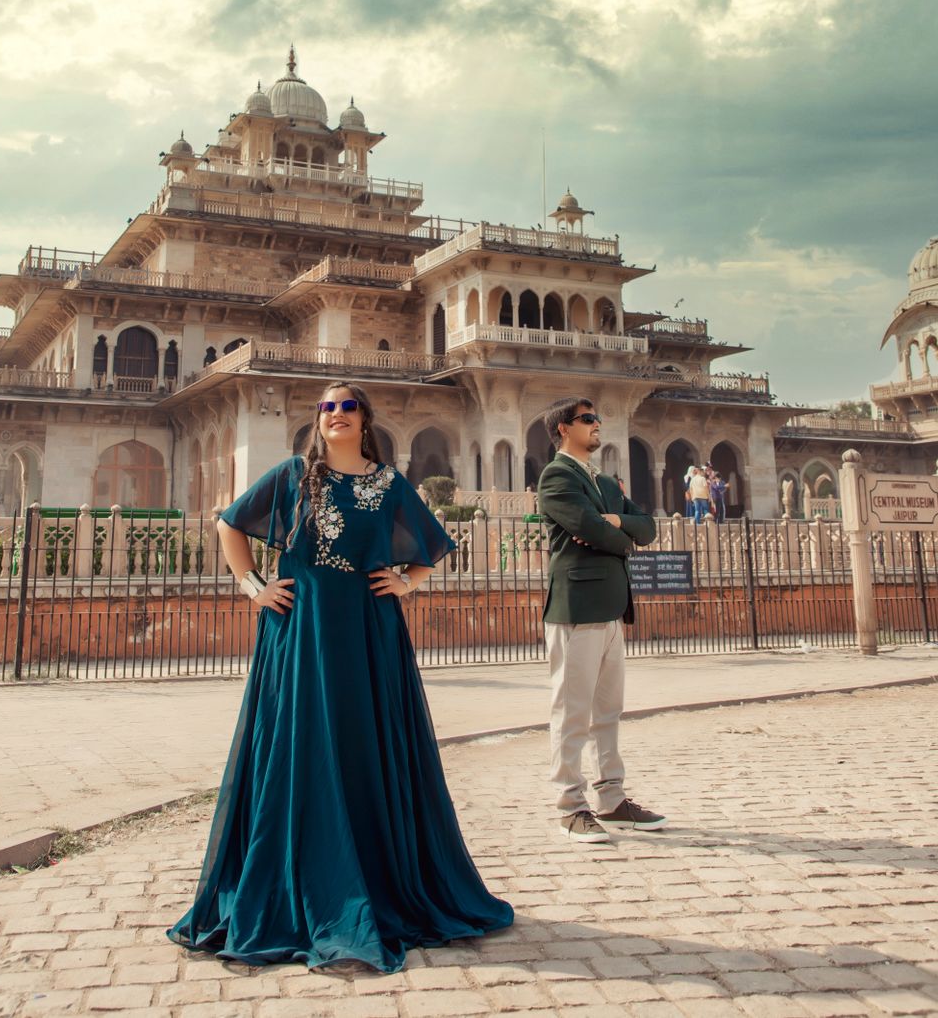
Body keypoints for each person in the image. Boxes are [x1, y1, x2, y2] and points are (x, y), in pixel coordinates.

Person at [168, 382, 512, 971]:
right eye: (327, 407)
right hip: (301, 632)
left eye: (348, 406)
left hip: (368, 632)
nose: (336, 415)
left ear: (365, 419)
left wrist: (407, 581)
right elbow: (230, 525)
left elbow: (430, 547)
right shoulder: (292, 477)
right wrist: (254, 587)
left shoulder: (389, 484)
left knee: (362, 745)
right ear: (317, 419)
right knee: (299, 748)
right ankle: (301, 883)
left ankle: (375, 880)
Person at [537, 397, 666, 843]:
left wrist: (616, 524)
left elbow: (649, 526)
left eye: (597, 418)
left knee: (607, 710)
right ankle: (570, 804)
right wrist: (621, 533)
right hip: (576, 608)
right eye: (587, 419)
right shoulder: (556, 476)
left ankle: (611, 798)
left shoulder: (606, 482)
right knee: (572, 711)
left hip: (611, 606)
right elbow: (593, 530)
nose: (597, 425)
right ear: (562, 429)